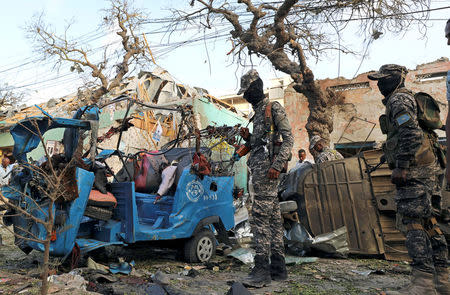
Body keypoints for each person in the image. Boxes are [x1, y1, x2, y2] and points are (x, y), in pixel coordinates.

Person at [368, 64, 448, 294]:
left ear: (398, 79)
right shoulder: (407, 98)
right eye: (378, 80)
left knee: (412, 223)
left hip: (415, 172)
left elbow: (411, 134)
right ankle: (442, 280)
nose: (380, 84)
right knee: (429, 223)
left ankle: (422, 283)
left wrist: (401, 165)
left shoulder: (398, 101)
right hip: (428, 170)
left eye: (385, 80)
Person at [234, 69, 294, 288]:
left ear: (256, 88)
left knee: (259, 220)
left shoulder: (273, 108)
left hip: (267, 174)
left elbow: (289, 139)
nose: (245, 97)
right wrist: (249, 139)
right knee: (274, 220)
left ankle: (261, 271)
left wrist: (277, 166)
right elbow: (260, 144)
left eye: (247, 92)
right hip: (260, 173)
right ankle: (278, 269)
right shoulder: (258, 113)